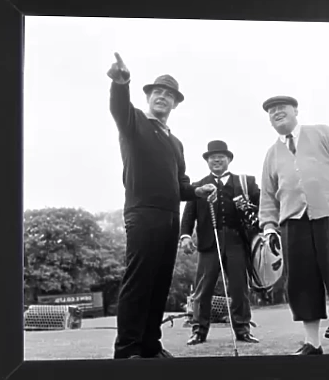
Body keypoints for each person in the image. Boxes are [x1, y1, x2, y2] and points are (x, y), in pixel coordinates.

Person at [107, 53, 216, 359]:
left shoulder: (176, 143)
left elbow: (180, 186)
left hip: (170, 218)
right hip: (142, 213)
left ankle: (150, 345)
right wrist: (120, 83)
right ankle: (128, 348)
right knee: (139, 280)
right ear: (148, 96)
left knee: (159, 283)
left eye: (169, 95)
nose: (163, 98)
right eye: (158, 92)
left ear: (175, 104)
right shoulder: (135, 122)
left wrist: (198, 191)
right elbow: (119, 107)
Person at [258, 95, 329, 355]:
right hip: (293, 223)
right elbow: (268, 195)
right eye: (271, 111)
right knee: (301, 281)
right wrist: (269, 226)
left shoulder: (322, 133)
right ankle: (312, 343)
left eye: (282, 108)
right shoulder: (272, 153)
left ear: (295, 110)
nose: (277, 112)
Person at [180, 140, 260, 345]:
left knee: (239, 287)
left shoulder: (246, 183)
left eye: (221, 157)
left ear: (229, 160)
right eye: (212, 157)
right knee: (203, 288)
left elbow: (263, 206)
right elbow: (188, 216)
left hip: (237, 241)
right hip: (208, 243)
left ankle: (242, 330)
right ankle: (198, 331)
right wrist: (185, 236)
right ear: (207, 161)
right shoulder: (197, 187)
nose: (216, 160)